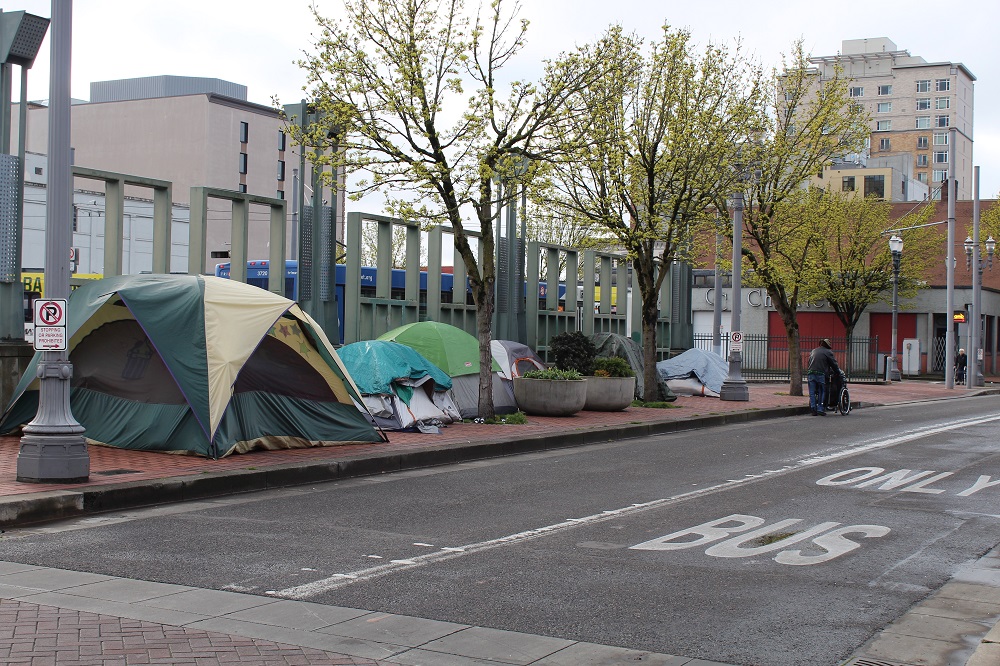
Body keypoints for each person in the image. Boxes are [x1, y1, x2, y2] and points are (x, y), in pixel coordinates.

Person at [806, 338, 840, 416]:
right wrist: (837, 372)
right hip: (821, 374)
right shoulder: (828, 352)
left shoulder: (813, 351)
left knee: (812, 392)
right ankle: (820, 408)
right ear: (828, 345)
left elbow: (809, 362)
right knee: (822, 390)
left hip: (811, 373)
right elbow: (833, 364)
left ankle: (813, 408)